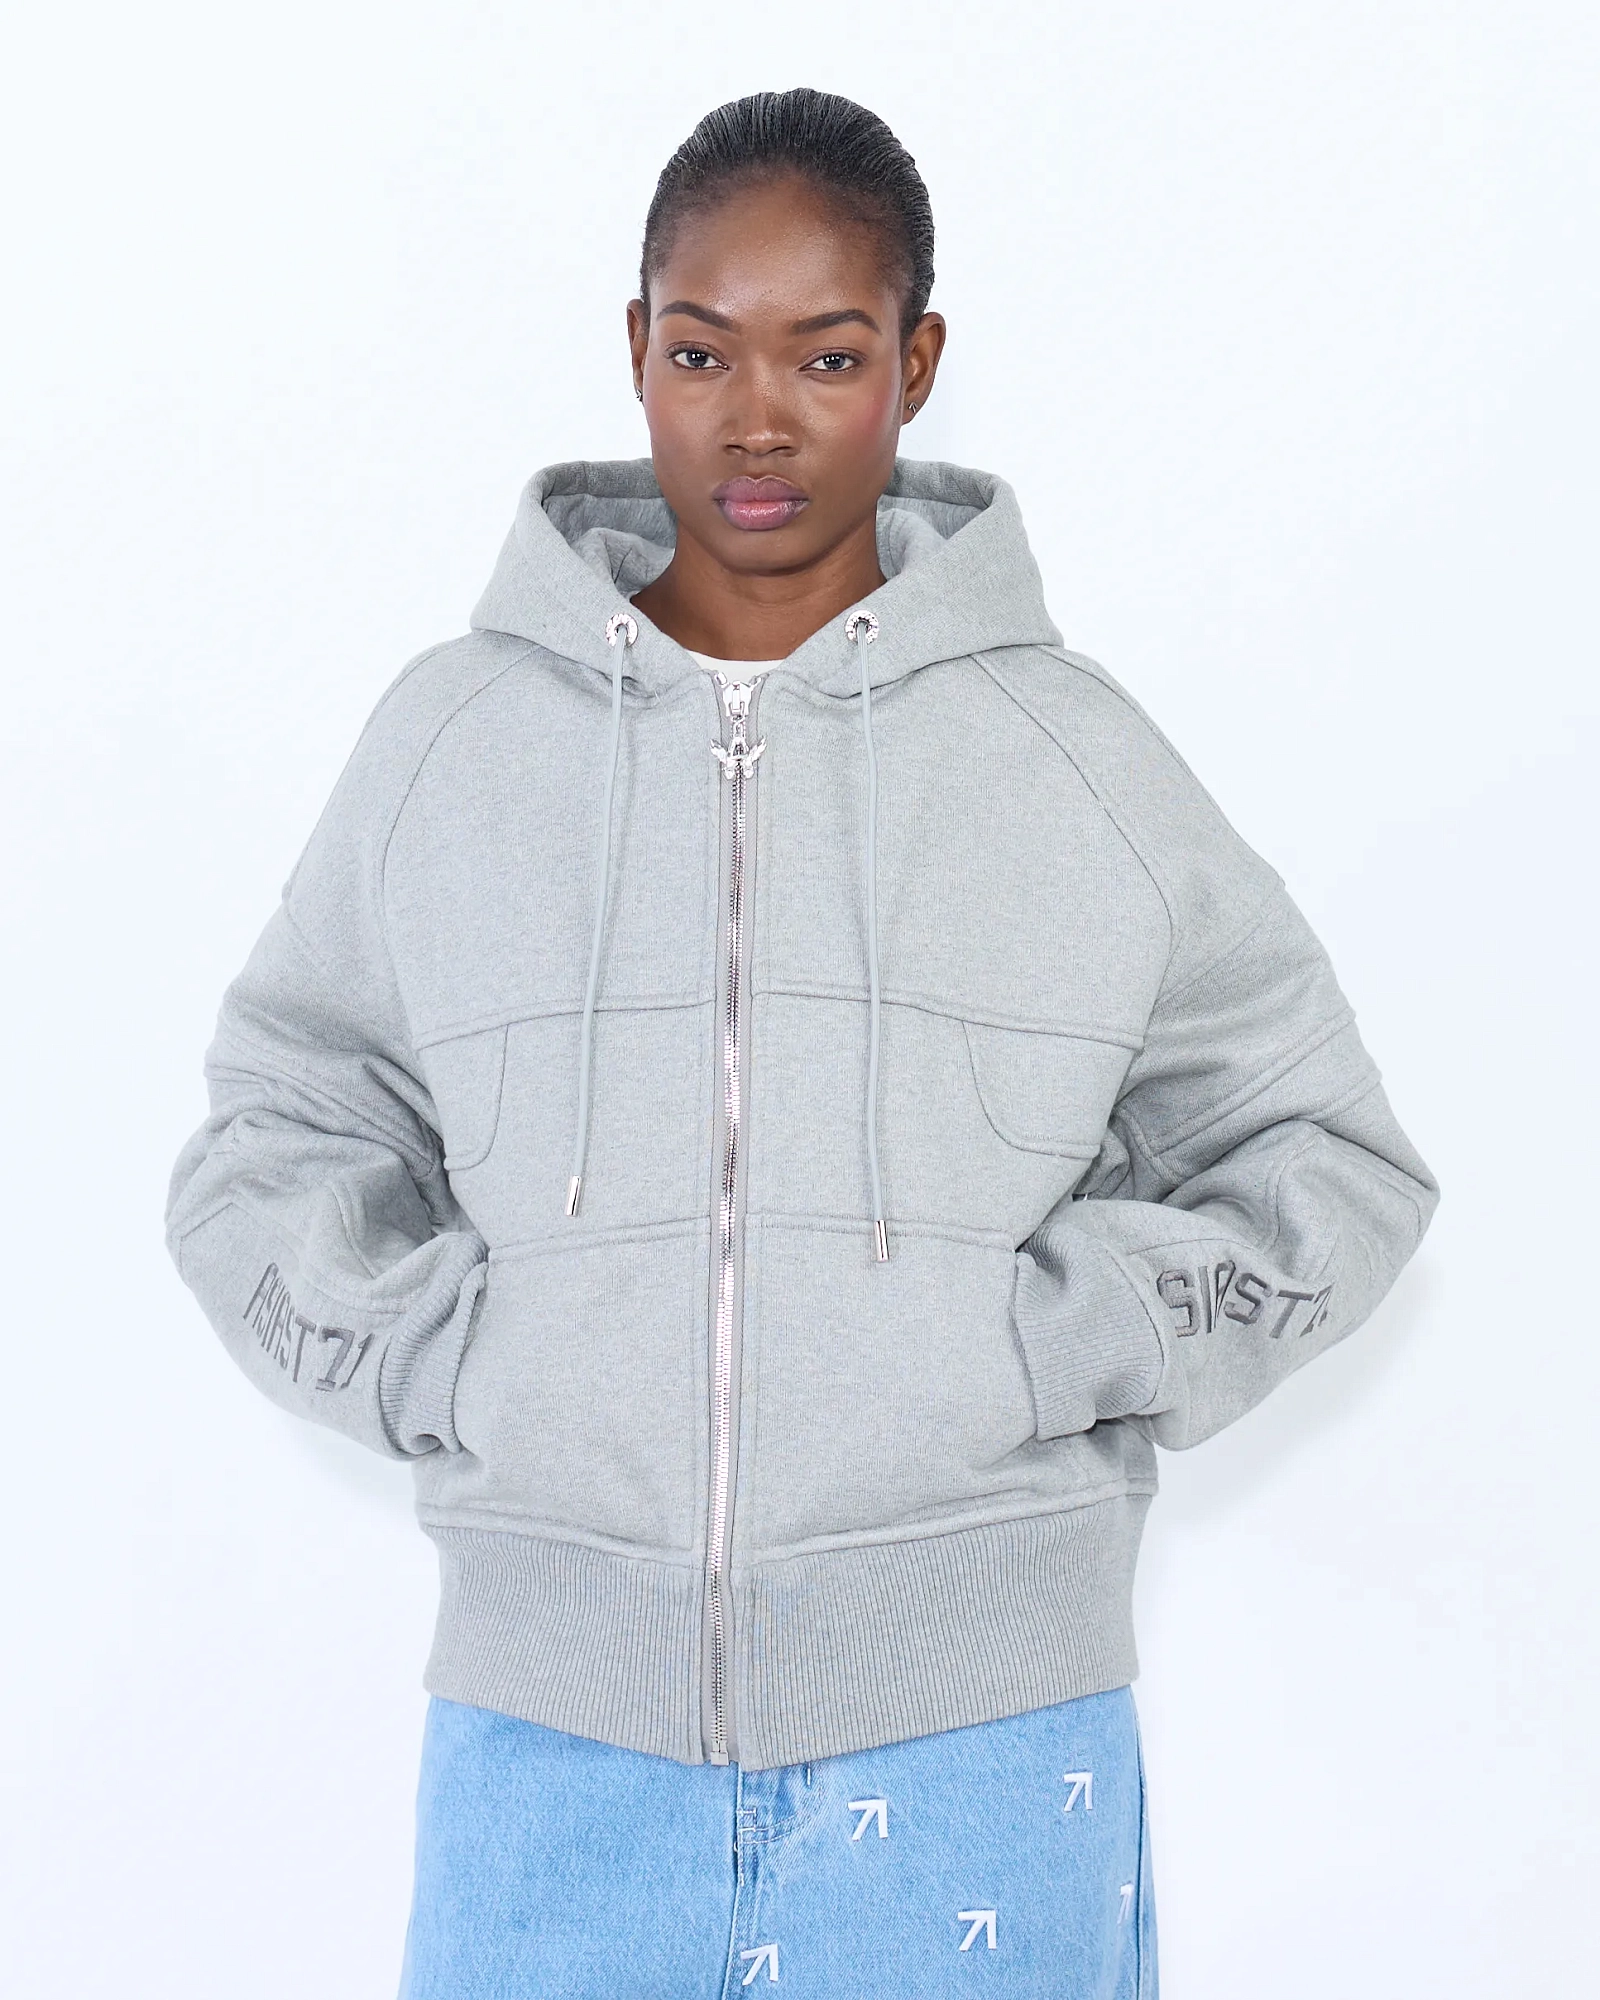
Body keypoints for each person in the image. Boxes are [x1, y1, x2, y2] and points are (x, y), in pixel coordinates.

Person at [166, 87, 1438, 1998]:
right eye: (703, 353)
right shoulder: (454, 741)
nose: (756, 420)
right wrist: (452, 1353)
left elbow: (1332, 1164)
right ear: (635, 352)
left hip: (983, 1747)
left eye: (827, 357)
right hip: (551, 1750)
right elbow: (272, 1135)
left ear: (915, 365)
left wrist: (1053, 1342)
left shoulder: (1069, 756)